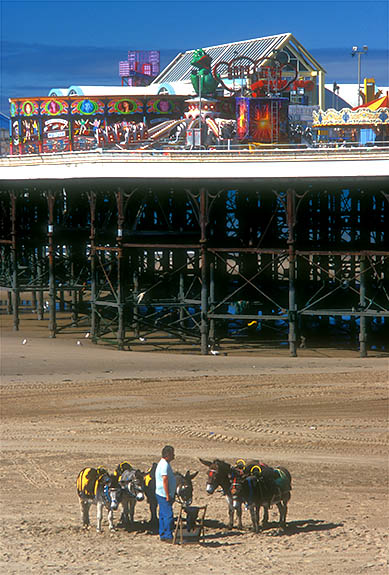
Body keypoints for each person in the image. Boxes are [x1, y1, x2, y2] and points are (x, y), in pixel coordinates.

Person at [155, 445, 176, 542]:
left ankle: (163, 533)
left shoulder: (163, 463)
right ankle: (167, 535)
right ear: (168, 455)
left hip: (160, 493)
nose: (174, 455)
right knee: (168, 515)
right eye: (172, 453)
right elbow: (165, 480)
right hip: (163, 494)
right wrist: (168, 495)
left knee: (163, 514)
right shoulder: (164, 465)